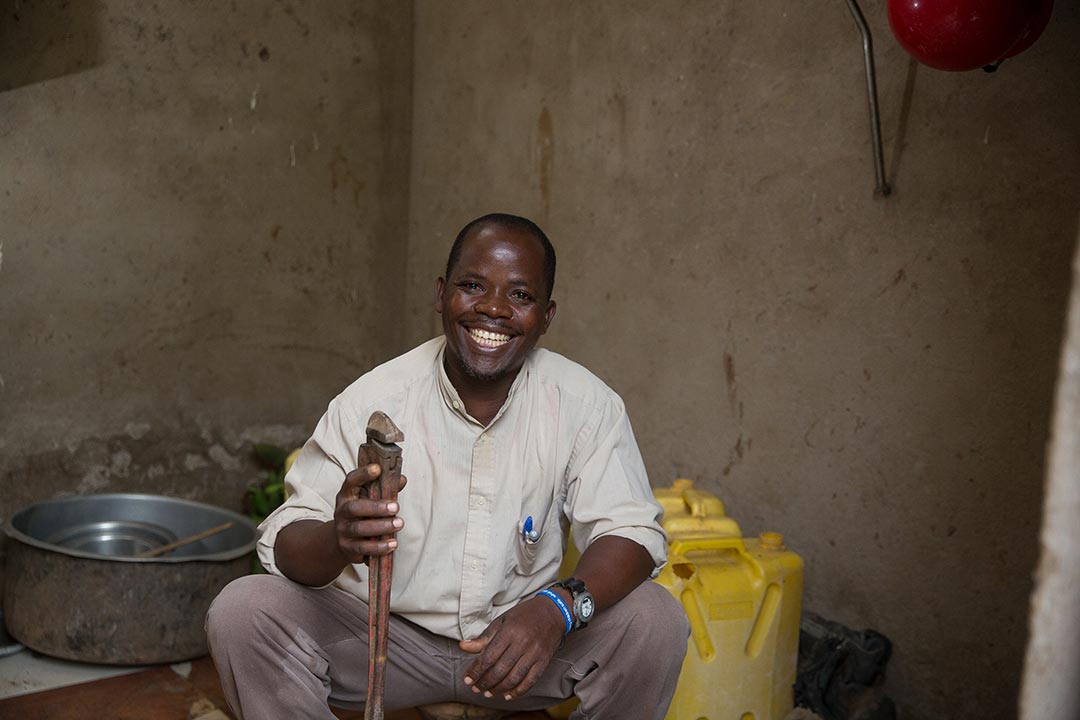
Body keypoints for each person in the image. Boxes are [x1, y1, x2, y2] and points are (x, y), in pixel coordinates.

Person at [206, 213, 689, 719]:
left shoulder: (584, 404)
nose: (494, 309)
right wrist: (337, 539)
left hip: (522, 644)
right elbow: (288, 540)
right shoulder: (374, 399)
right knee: (245, 610)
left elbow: (631, 533)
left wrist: (557, 608)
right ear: (441, 294)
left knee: (654, 619)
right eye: (473, 285)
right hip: (382, 645)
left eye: (520, 296)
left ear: (546, 317)